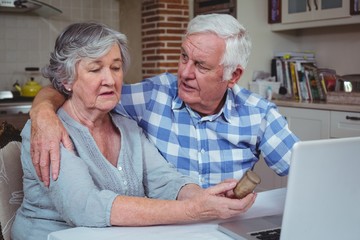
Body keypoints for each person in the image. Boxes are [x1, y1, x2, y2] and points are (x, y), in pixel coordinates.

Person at [11, 22, 256, 240]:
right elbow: (85, 207)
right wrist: (192, 210)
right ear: (66, 80)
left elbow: (165, 180)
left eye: (115, 68)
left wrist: (203, 198)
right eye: (95, 69)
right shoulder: (48, 131)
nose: (110, 79)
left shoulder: (127, 126)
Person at [30, 14, 299, 188]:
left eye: (201, 66)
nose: (184, 72)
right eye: (184, 57)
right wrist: (42, 112)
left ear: (233, 75)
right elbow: (74, 89)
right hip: (166, 226)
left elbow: (310, 174)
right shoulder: (152, 96)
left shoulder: (258, 114)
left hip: (227, 226)